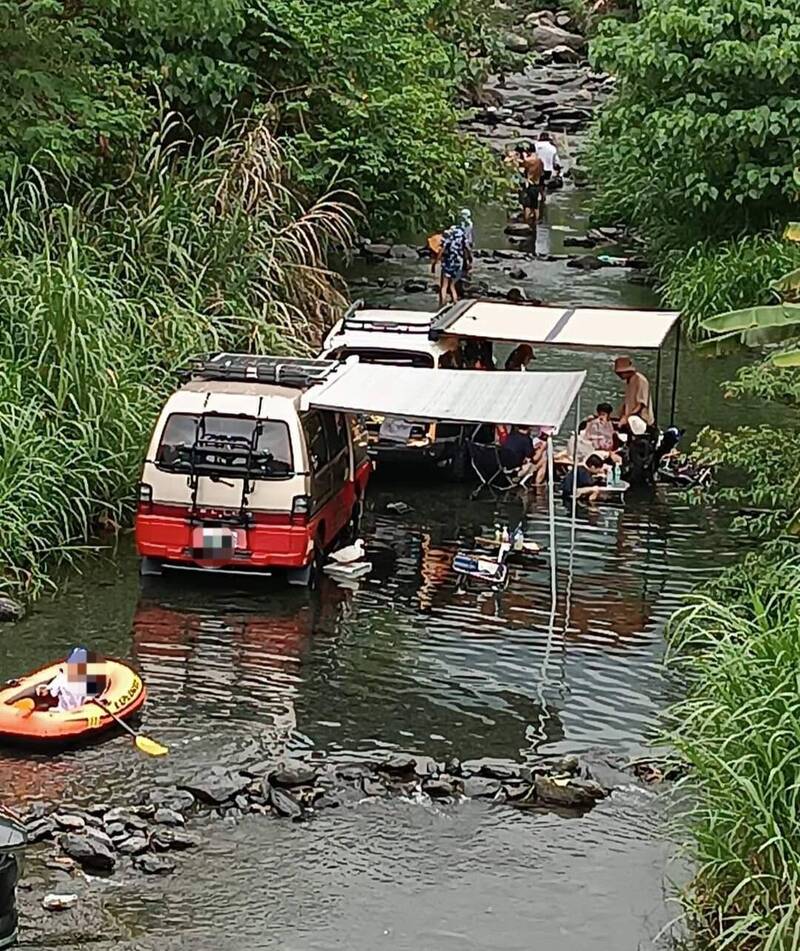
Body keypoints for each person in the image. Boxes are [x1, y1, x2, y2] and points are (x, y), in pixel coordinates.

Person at [37, 648, 90, 712]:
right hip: (78, 711)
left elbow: (52, 693)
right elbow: (88, 698)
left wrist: (45, 689)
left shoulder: (61, 678)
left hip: (63, 711)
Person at [613, 356, 654, 427]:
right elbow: (628, 402)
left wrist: (627, 417)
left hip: (641, 421)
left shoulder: (640, 380)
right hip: (630, 420)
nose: (619, 376)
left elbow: (641, 404)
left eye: (620, 373)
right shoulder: (629, 381)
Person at [438, 222, 466, 307]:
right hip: (458, 264)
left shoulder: (448, 240)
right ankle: (455, 303)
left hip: (448, 264)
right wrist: (468, 261)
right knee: (452, 285)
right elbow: (466, 251)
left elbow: (441, 251)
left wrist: (436, 261)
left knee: (444, 286)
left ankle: (442, 304)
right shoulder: (461, 242)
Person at [518, 145, 543, 227]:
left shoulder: (530, 160)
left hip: (530, 185)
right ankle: (535, 224)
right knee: (535, 206)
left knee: (527, 206)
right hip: (537, 184)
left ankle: (527, 224)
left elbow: (523, 163)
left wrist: (523, 155)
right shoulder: (540, 160)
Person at [535, 131, 561, 202]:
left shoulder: (535, 145)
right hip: (548, 170)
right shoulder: (552, 148)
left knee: (536, 183)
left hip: (536, 169)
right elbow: (556, 162)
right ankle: (543, 196)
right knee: (542, 182)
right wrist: (558, 171)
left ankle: (537, 197)